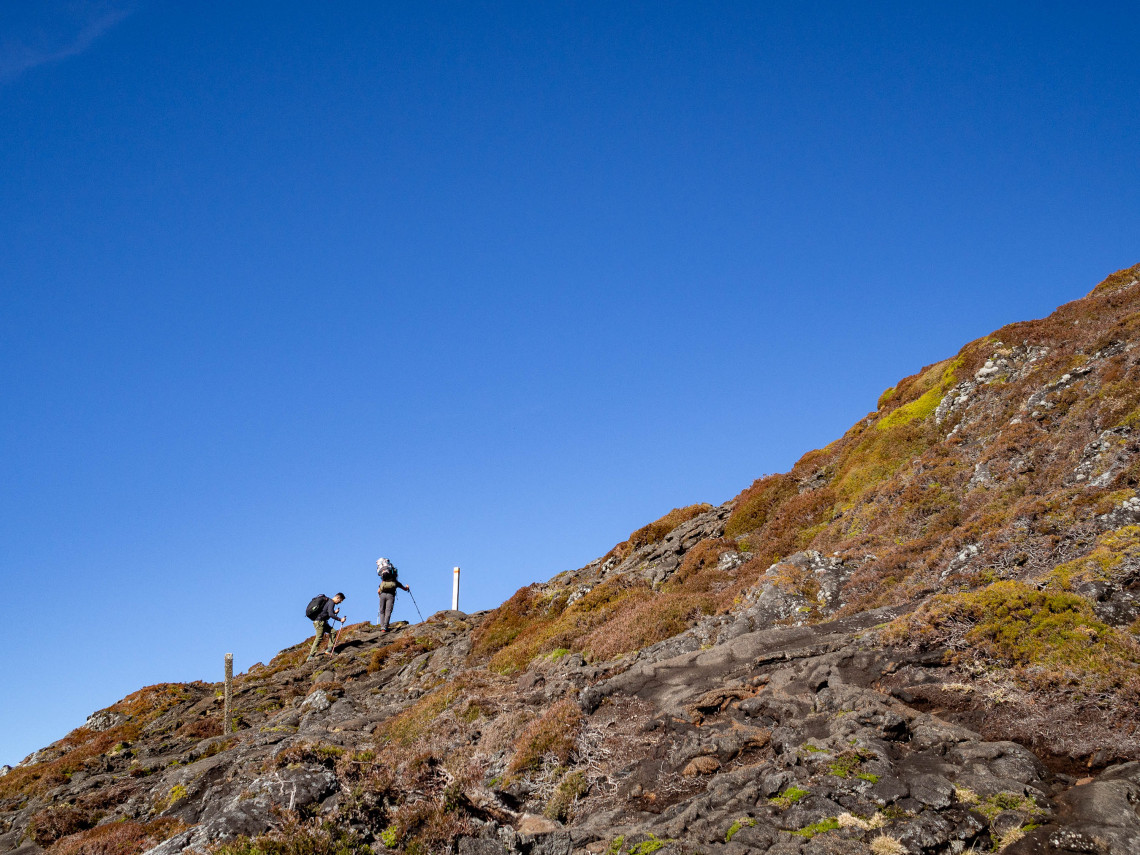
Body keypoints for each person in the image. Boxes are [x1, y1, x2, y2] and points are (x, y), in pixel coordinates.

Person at [307, 593, 345, 659]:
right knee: (319, 637)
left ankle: (329, 649)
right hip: (320, 622)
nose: (340, 602)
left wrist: (334, 612)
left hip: (321, 622)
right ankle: (311, 656)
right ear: (337, 598)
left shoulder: (329, 601)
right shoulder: (331, 602)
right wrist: (340, 619)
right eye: (341, 600)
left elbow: (326, 611)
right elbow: (331, 614)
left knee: (333, 632)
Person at [376, 557, 410, 632]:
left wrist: (380, 595)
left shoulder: (383, 582)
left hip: (382, 595)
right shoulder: (395, 582)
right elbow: (404, 589)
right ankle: (385, 627)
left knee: (382, 611)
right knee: (388, 611)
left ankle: (382, 627)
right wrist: (407, 587)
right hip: (391, 595)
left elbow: (378, 591)